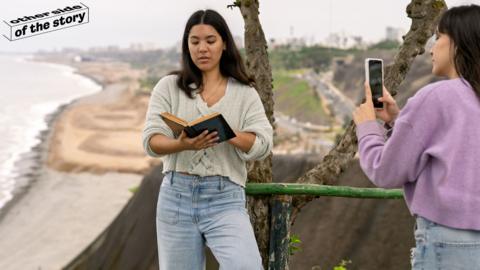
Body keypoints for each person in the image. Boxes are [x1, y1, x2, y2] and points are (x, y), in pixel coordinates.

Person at [142, 9, 272, 270]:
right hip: (176, 197)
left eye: (210, 41)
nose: (202, 48)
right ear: (186, 45)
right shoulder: (168, 86)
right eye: (195, 41)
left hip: (226, 199)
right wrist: (182, 144)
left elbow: (263, 144)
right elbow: (151, 141)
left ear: (224, 44)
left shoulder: (245, 93)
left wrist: (228, 133)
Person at [352, 4, 480, 269]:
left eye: (439, 37)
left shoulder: (436, 96)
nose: (432, 48)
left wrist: (367, 127)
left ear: (457, 41)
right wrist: (400, 121)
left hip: (448, 242)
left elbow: (386, 172)